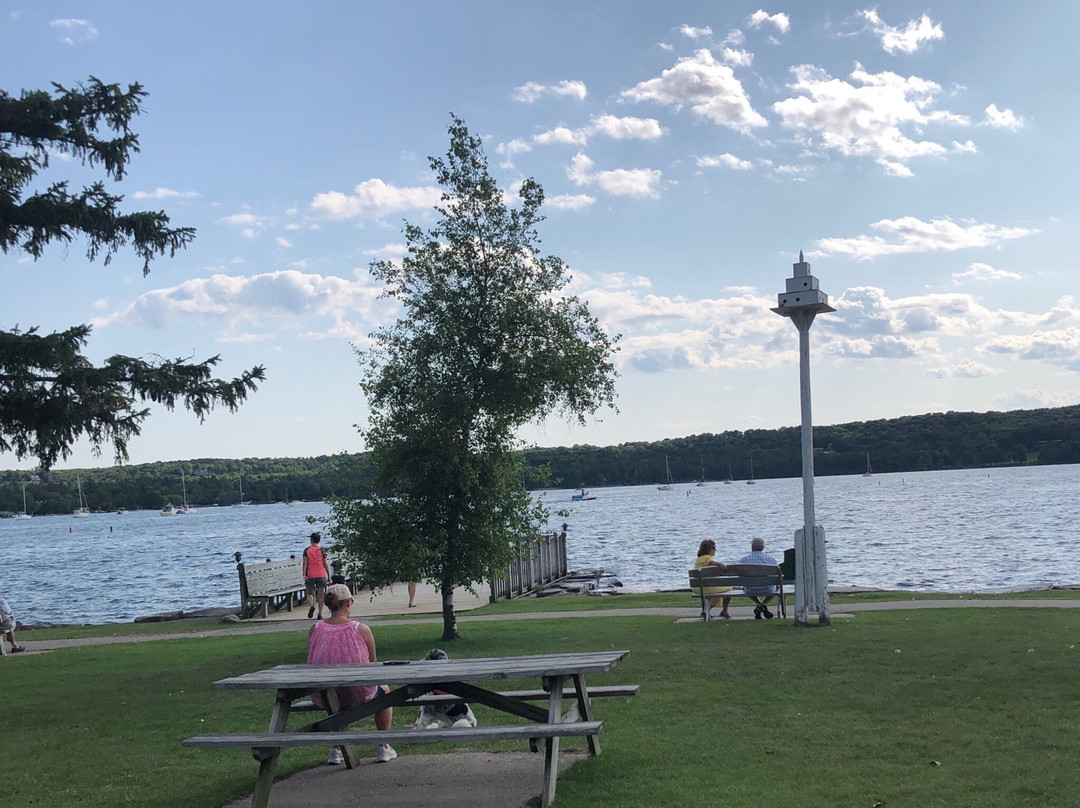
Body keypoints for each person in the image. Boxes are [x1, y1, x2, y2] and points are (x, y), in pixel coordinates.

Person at [307, 583, 396, 765]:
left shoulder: (315, 629)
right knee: (384, 690)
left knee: (332, 696)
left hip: (322, 692)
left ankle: (336, 748)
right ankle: (383, 745)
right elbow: (373, 665)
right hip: (357, 693)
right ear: (348, 603)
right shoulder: (360, 629)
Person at [739, 537, 779, 619]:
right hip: (768, 589)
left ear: (752, 547)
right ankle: (763, 605)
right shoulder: (771, 559)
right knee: (775, 587)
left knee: (747, 586)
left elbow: (740, 576)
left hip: (750, 589)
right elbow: (776, 575)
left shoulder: (744, 560)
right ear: (763, 547)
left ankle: (759, 605)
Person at [692, 539, 732, 620]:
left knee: (717, 595)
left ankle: (706, 611)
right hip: (707, 587)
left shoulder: (699, 559)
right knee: (729, 588)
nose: (715, 550)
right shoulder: (707, 558)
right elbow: (710, 563)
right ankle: (724, 611)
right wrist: (720, 564)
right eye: (714, 548)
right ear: (709, 549)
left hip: (698, 587)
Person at [302, 532, 329, 620]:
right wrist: (329, 576)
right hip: (321, 574)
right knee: (321, 595)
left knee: (309, 593)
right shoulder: (322, 550)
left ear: (311, 540)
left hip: (310, 574)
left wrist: (303, 574)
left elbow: (305, 563)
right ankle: (320, 613)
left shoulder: (307, 550)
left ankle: (312, 605)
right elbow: (325, 564)